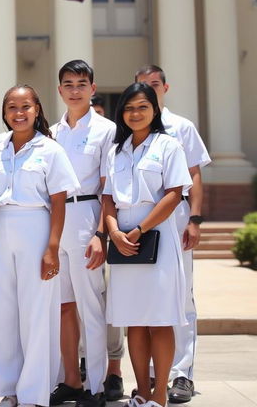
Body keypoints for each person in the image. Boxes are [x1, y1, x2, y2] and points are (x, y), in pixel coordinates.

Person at [0, 85, 77, 407]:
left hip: (36, 228)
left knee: (36, 314)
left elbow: (59, 201)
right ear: (4, 113)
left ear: (37, 110)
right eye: (11, 108)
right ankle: (9, 387)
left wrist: (52, 248)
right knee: (1, 314)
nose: (18, 114)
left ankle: (33, 392)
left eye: (25, 107)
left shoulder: (50, 150)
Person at [103, 83, 192, 407]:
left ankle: (159, 395)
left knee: (159, 317)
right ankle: (140, 392)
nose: (135, 113)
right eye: (129, 108)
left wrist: (140, 230)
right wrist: (114, 230)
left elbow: (173, 194)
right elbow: (108, 197)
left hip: (156, 238)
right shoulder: (117, 150)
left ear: (154, 110)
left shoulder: (168, 146)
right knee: (134, 319)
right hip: (123, 239)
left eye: (142, 107)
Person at [134, 65, 210, 403]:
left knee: (180, 296)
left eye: (154, 85)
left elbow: (193, 176)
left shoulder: (182, 127)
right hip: (140, 216)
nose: (149, 90)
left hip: (176, 214)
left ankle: (181, 375)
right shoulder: (132, 127)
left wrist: (194, 219)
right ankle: (152, 375)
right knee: (147, 298)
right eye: (141, 86)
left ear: (165, 87)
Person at [50, 61, 116, 407]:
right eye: (68, 84)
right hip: (55, 222)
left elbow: (108, 190)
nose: (74, 90)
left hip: (87, 217)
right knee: (63, 307)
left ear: (92, 88)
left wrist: (100, 235)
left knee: (91, 305)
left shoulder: (106, 130)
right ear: (59, 90)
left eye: (81, 83)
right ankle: (71, 381)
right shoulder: (50, 132)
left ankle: (96, 386)